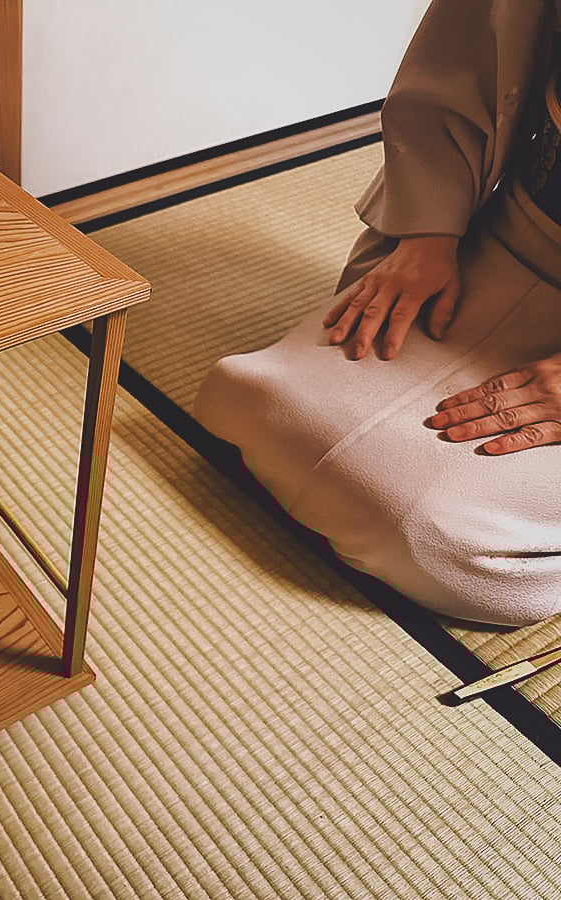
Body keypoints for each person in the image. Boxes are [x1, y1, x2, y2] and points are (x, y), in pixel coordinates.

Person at [194, 0, 561, 626]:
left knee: (440, 537)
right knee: (248, 397)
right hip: (510, 234)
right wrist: (429, 234)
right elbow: (462, 57)